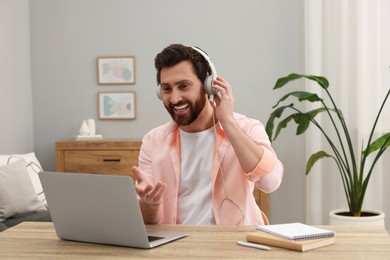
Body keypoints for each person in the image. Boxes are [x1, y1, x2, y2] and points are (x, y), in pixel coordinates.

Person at [132, 44, 283, 225]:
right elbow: (149, 224)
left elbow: (270, 182)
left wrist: (227, 122)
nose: (174, 98)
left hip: (235, 247)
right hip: (176, 249)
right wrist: (150, 205)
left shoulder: (247, 128)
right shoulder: (153, 141)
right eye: (166, 89)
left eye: (184, 86)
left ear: (208, 85)